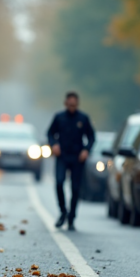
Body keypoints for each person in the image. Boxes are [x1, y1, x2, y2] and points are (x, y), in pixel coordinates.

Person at [46, 91, 95, 231]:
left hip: (77, 158)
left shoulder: (83, 118)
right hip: (62, 156)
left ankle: (72, 217)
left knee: (75, 188)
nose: (72, 107)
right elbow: (50, 133)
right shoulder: (59, 117)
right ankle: (63, 212)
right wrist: (54, 144)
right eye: (70, 104)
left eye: (74, 104)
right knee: (59, 183)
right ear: (65, 103)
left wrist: (86, 150)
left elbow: (91, 136)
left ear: (77, 104)